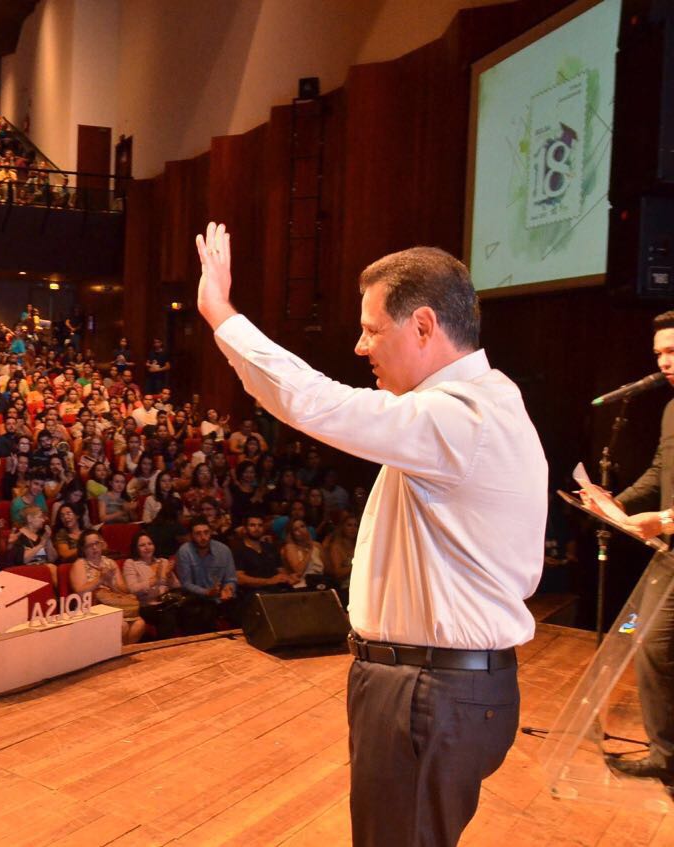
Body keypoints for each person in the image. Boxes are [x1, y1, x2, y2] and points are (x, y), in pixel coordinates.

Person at [195, 221, 546, 845]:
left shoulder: (460, 415)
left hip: (429, 690)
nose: (360, 347)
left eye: (371, 329)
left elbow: (317, 402)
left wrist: (220, 313)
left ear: (424, 326)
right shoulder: (477, 406)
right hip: (434, 686)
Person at [581, 309, 674, 794]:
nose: (663, 361)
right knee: (653, 648)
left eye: (673, 350)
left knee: (656, 647)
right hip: (671, 556)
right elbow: (661, 472)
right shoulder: (670, 410)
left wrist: (664, 520)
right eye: (659, 352)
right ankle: (666, 758)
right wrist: (615, 503)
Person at [71, 530, 146, 644]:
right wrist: (100, 579)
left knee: (140, 623)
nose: (95, 548)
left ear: (102, 544)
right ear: (83, 549)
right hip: (92, 607)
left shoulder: (110, 563)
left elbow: (124, 591)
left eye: (97, 543)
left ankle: (123, 654)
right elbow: (80, 592)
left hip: (114, 605)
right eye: (90, 545)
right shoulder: (80, 564)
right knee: (122, 625)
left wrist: (111, 582)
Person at [122, 531, 182, 639]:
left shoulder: (163, 561)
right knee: (167, 615)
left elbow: (177, 586)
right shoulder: (131, 563)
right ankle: (165, 650)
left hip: (167, 602)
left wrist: (169, 575)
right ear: (136, 548)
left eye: (150, 544)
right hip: (146, 605)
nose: (147, 547)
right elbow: (132, 588)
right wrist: (154, 580)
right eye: (142, 545)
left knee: (190, 609)